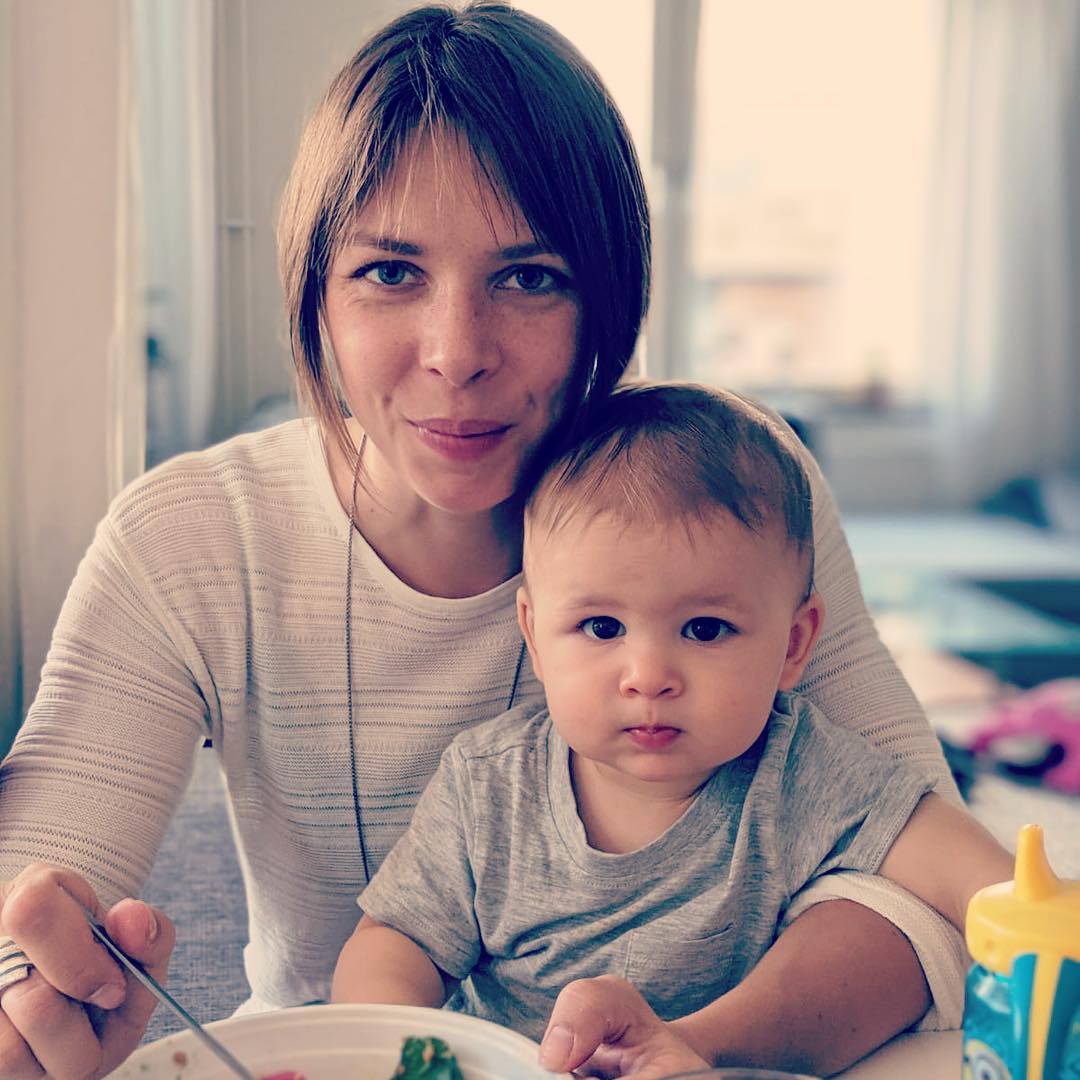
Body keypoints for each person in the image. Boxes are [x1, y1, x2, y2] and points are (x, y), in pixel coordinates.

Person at [0, 4, 976, 1078]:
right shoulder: (189, 539)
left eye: (530, 276)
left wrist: (675, 1049)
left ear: (607, 297)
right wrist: (33, 989)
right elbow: (33, 902)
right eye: (389, 272)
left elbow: (934, 900)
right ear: (313, 293)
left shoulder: (734, 490)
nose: (457, 353)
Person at [331, 383, 1013, 1073]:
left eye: (705, 629)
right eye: (601, 628)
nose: (649, 675)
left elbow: (945, 850)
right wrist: (401, 1053)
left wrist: (1031, 915)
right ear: (535, 637)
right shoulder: (488, 784)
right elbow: (395, 942)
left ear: (793, 645)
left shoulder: (797, 765)